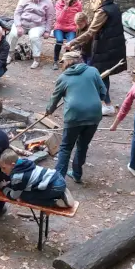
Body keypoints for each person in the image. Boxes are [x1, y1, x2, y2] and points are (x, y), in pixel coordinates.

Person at [66, 0, 127, 116]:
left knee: (100, 75)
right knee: (104, 74)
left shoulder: (103, 11)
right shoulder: (114, 6)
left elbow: (91, 31)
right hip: (114, 45)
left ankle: (107, 104)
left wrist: (73, 42)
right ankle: (103, 102)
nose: (91, 0)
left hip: (105, 47)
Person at [46, 51, 106, 184]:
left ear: (68, 62)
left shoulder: (63, 77)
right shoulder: (93, 71)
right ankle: (77, 174)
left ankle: (58, 179)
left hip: (74, 115)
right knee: (83, 145)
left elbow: (54, 98)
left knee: (66, 147)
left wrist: (48, 111)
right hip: (94, 114)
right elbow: (103, 92)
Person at [0, 149, 74, 208]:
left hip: (54, 187)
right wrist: (10, 184)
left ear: (13, 165)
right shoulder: (24, 163)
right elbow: (23, 183)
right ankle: (61, 193)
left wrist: (4, 187)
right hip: (58, 178)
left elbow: (14, 196)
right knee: (32, 191)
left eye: (3, 168)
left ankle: (54, 202)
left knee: (25, 196)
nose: (2, 170)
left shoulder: (18, 177)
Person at [7, 0, 55, 69]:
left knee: (34, 37)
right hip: (23, 22)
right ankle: (10, 54)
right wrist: (18, 25)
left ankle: (36, 58)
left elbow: (50, 17)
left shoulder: (47, 0)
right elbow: (17, 12)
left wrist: (47, 31)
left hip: (38, 25)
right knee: (13, 34)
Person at [52, 0, 82, 70]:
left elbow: (79, 17)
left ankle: (66, 61)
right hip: (59, 27)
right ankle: (55, 60)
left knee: (70, 43)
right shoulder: (59, 3)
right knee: (59, 41)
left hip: (71, 28)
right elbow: (59, 19)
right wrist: (66, 7)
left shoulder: (78, 4)